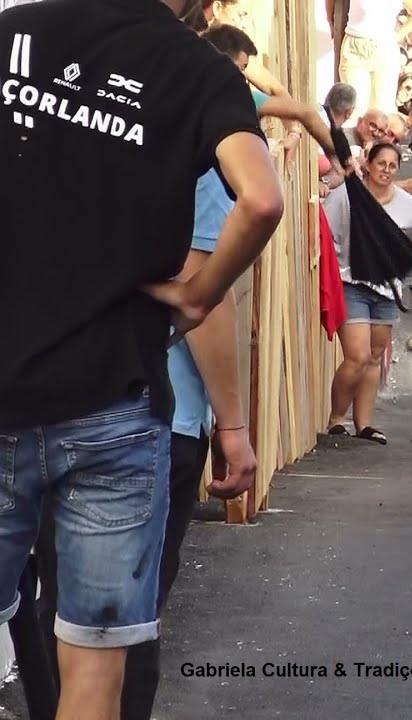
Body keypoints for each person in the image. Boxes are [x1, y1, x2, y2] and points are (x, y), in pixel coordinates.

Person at [0, 0, 288, 716]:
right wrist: (198, 296)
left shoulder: (13, 35)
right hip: (115, 403)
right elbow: (261, 200)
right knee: (95, 668)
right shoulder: (199, 72)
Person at [323, 142, 412, 443]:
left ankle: (364, 424)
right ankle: (335, 420)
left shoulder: (403, 200)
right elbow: (327, 231)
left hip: (386, 288)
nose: (386, 170)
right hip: (352, 283)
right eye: (381, 164)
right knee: (356, 356)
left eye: (392, 166)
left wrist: (405, 253)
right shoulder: (347, 196)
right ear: (368, 165)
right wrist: (336, 260)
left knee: (373, 356)